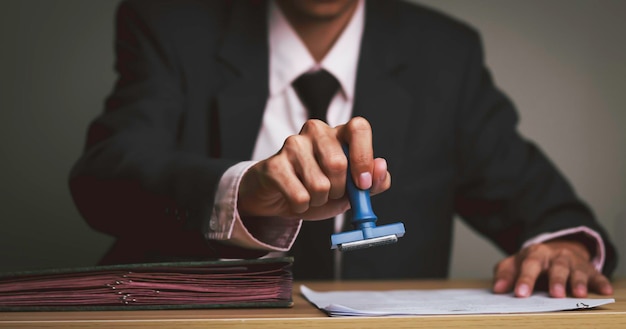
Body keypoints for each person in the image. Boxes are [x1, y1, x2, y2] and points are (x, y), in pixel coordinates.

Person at [69, 0, 617, 299]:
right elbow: (105, 180)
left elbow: (547, 210)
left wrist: (564, 249)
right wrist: (242, 191)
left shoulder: (444, 54)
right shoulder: (168, 22)